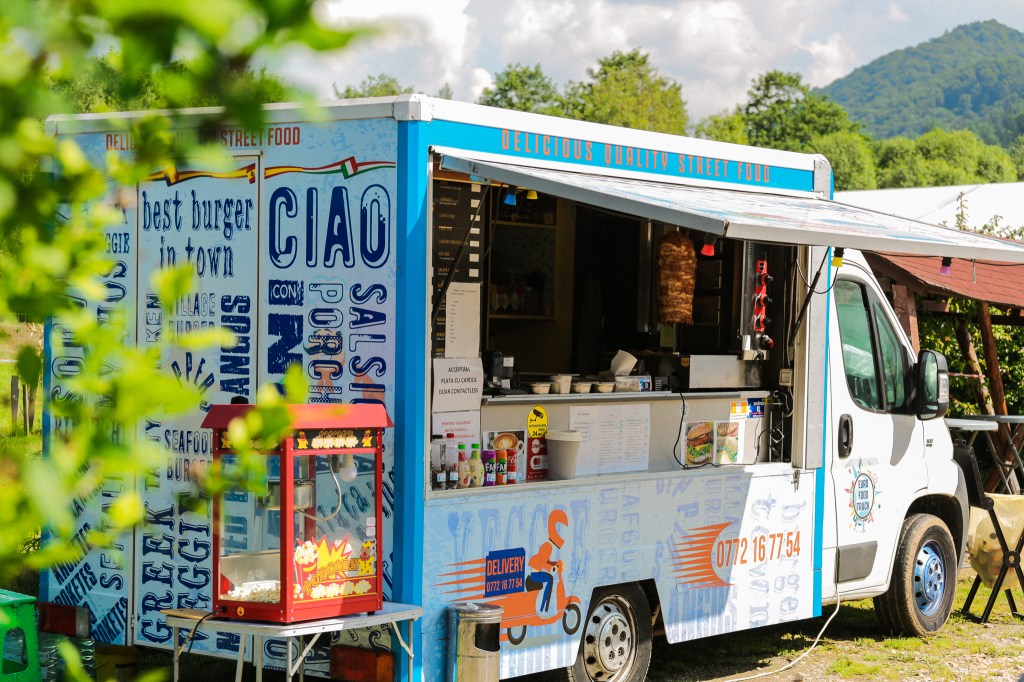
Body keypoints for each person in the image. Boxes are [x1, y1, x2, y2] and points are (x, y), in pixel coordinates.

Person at [527, 509, 568, 614]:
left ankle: (544, 607)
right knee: (550, 579)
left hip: (536, 574)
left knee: (550, 580)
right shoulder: (543, 553)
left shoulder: (543, 553)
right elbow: (546, 565)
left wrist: (555, 564)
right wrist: (554, 567)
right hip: (535, 575)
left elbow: (548, 562)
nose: (549, 554)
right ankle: (543, 607)